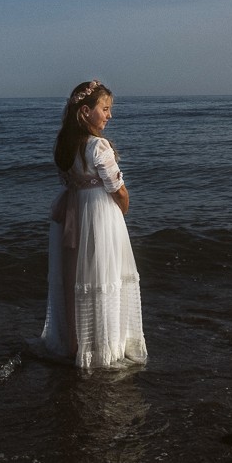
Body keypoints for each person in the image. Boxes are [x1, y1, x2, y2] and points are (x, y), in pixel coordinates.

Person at [39, 80, 148, 369]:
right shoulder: (98, 145)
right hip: (99, 214)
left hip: (75, 210)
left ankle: (76, 342)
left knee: (77, 275)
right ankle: (104, 346)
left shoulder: (67, 146)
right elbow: (117, 188)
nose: (110, 115)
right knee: (103, 273)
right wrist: (122, 208)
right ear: (86, 112)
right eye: (105, 108)